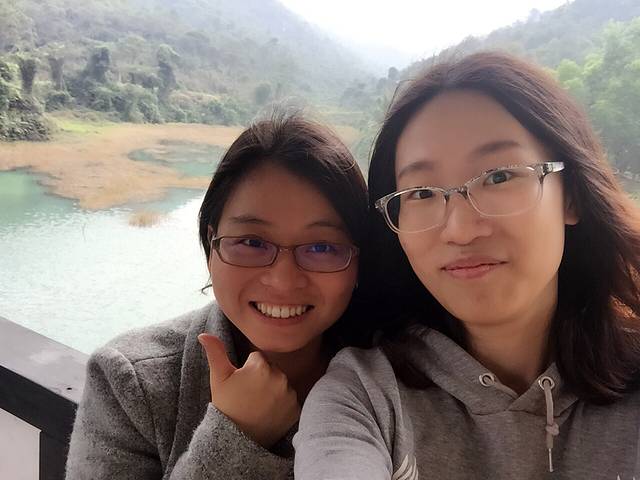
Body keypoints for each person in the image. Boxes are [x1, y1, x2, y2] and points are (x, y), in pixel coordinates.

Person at [294, 52, 640, 479]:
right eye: (422, 193)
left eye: (499, 177)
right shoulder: (365, 397)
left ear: (571, 196)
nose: (459, 230)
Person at [65, 114, 368, 479]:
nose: (283, 281)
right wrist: (237, 436)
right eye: (252, 242)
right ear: (212, 245)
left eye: (321, 247)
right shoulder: (131, 383)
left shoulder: (398, 375)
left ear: (359, 259)